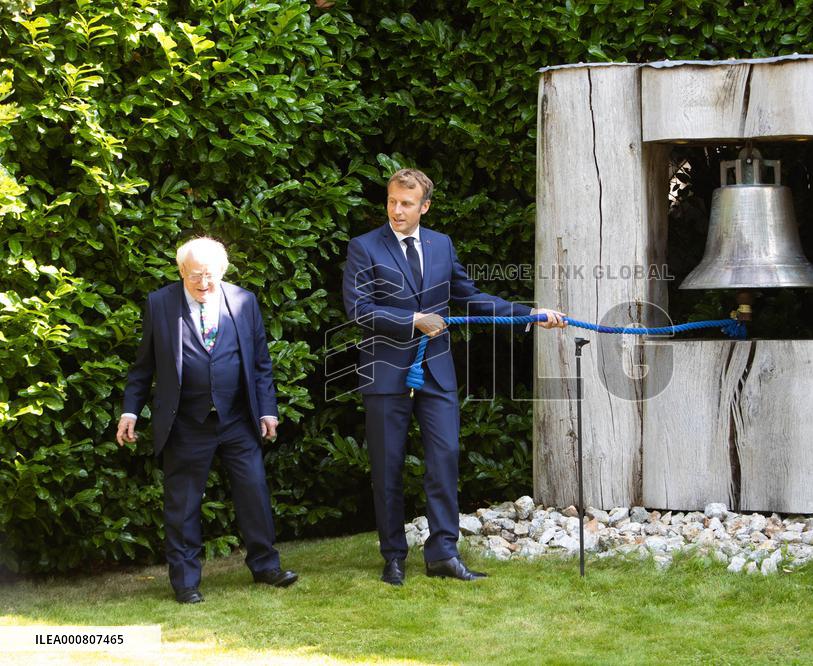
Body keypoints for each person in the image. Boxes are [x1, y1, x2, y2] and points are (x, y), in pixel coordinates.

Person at [342, 168, 565, 585]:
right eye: (392, 201)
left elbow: (470, 297)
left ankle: (443, 554)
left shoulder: (441, 245)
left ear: (424, 206)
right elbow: (359, 308)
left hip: (436, 372)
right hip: (386, 374)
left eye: (407, 204)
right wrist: (414, 319)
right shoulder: (364, 247)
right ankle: (393, 557)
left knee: (444, 462)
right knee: (387, 469)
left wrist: (529, 314)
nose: (397, 210)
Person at [116, 237, 297, 604]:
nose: (203, 283)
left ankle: (266, 566)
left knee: (254, 493)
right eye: (195, 275)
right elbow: (143, 366)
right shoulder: (160, 303)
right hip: (186, 423)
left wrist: (267, 410)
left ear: (223, 271)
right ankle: (185, 582)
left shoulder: (244, 301)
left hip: (237, 420)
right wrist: (130, 411)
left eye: (210, 275)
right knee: (182, 505)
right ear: (181, 271)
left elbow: (260, 363)